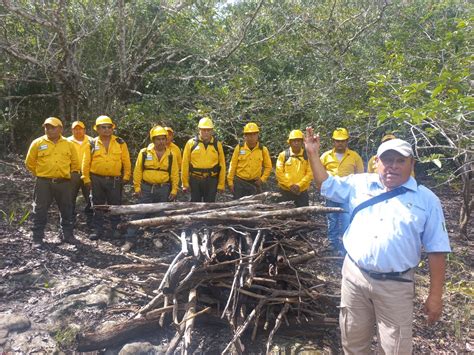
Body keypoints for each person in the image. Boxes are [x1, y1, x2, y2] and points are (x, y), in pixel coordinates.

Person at [305, 127, 451, 354]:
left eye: (399, 160)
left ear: (411, 164)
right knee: (352, 342)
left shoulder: (427, 200)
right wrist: (313, 154)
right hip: (355, 278)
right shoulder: (359, 185)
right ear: (376, 163)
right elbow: (326, 185)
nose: (392, 165)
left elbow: (437, 249)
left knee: (395, 348)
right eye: (387, 160)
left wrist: (435, 296)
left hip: (396, 285)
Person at [122, 126, 179, 251]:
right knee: (139, 213)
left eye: (163, 139)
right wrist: (137, 187)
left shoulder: (171, 155)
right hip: (146, 188)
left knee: (159, 214)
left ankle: (156, 237)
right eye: (158, 139)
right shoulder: (144, 153)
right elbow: (138, 171)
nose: (161, 142)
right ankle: (130, 240)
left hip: (163, 188)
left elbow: (174, 173)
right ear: (153, 140)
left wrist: (174, 190)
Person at [25, 117, 80, 245]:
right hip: (43, 183)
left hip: (64, 183)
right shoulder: (37, 143)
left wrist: (69, 177)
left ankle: (67, 235)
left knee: (67, 209)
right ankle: (37, 237)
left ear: (60, 128)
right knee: (40, 209)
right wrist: (40, 174)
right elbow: (29, 163)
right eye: (47, 127)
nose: (49, 130)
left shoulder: (69, 144)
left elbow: (75, 164)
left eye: (53, 127)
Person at [82, 115, 131, 240]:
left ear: (112, 128)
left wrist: (126, 175)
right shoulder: (92, 143)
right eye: (103, 127)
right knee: (97, 205)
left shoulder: (120, 142)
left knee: (115, 205)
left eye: (109, 127)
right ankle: (98, 230)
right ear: (97, 129)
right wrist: (86, 178)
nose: (106, 129)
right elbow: (85, 162)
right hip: (96, 179)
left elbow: (126, 160)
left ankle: (116, 229)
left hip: (114, 180)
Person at [320, 128, 364, 252]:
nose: (340, 143)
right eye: (338, 141)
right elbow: (318, 173)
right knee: (332, 219)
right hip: (331, 193)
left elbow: (360, 175)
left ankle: (345, 245)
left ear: (347, 141)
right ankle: (332, 242)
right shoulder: (325, 156)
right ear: (333, 141)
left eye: (343, 141)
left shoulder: (354, 156)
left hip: (347, 194)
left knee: (346, 219)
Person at [181, 116, 226, 202]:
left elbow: (222, 165)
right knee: (194, 204)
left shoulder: (217, 145)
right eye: (203, 130)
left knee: (210, 205)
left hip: (211, 180)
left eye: (208, 130)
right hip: (195, 180)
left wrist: (221, 184)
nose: (206, 132)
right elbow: (185, 164)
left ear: (212, 131)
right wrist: (185, 183)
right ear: (199, 130)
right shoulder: (191, 143)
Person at [227, 122, 272, 199]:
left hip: (254, 183)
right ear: (245, 136)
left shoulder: (263, 149)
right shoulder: (239, 148)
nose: (251, 137)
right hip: (239, 183)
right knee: (238, 207)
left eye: (254, 134)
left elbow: (268, 167)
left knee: (255, 207)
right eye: (249, 134)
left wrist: (262, 180)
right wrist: (230, 182)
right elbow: (233, 165)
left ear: (257, 135)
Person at [275, 129, 313, 207]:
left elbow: (310, 173)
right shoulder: (283, 155)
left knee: (303, 217)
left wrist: (299, 185)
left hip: (301, 192)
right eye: (294, 141)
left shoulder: (307, 156)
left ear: (302, 142)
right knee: (282, 216)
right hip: (285, 192)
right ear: (289, 142)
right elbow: (279, 173)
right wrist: (290, 185)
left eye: (298, 141)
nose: (296, 143)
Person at [67, 120, 93, 221]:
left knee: (90, 198)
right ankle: (69, 220)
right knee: (70, 199)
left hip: (88, 174)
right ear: (72, 130)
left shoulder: (92, 141)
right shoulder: (67, 141)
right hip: (73, 174)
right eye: (75, 129)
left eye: (80, 129)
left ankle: (91, 220)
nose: (78, 131)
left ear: (84, 130)